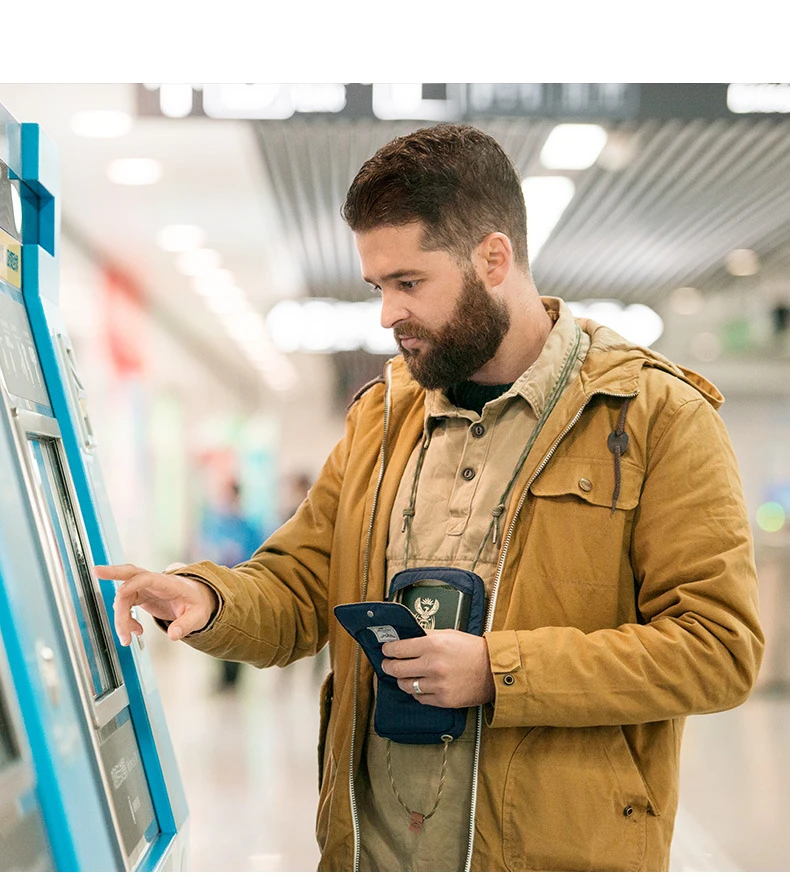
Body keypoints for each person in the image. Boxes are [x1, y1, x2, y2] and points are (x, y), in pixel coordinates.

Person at [96, 124, 764, 873]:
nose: (386, 314)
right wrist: (206, 597)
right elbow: (300, 585)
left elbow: (719, 648)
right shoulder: (383, 418)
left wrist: (497, 668)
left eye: (408, 283)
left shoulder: (655, 417)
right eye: (378, 286)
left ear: (493, 258)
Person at [197, 479, 260, 690]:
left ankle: (234, 680)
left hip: (239, 583)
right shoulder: (216, 523)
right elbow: (206, 549)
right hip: (216, 584)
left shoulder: (248, 526)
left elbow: (257, 554)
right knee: (215, 629)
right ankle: (222, 678)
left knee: (238, 631)